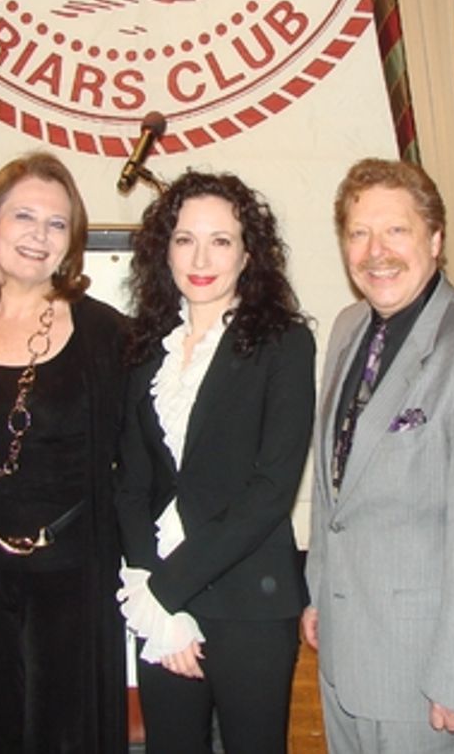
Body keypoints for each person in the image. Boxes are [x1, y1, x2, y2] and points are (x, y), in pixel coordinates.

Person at [302, 158, 454, 753]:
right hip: (345, 656)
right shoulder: (348, 327)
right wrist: (320, 593)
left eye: (396, 231)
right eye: (358, 234)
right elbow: (339, 487)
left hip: (430, 678)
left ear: (435, 240)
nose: (374, 251)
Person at [114, 170, 315, 754]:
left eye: (220, 240)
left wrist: (167, 589)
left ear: (248, 253)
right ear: (164, 250)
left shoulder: (285, 343)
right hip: (156, 594)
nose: (201, 257)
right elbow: (131, 481)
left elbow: (271, 489)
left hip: (248, 599)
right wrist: (147, 585)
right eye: (184, 239)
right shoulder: (144, 344)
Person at [0, 152, 127, 753]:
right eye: (24, 217)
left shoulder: (107, 334)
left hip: (72, 577)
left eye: (57, 224)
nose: (39, 237)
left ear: (72, 243)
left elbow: (140, 457)